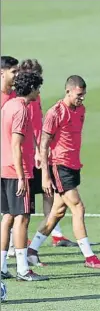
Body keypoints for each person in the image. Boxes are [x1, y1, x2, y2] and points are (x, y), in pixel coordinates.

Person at [27, 75, 100, 269]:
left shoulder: (81, 110)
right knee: (78, 208)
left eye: (83, 95)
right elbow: (44, 144)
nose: (81, 98)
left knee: (57, 211)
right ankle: (89, 257)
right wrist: (46, 175)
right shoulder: (55, 113)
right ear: (68, 91)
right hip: (59, 166)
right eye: (78, 95)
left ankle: (31, 251)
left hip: (73, 166)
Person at [7, 59, 77, 262]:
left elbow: (39, 126)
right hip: (27, 156)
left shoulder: (33, 99)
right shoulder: (18, 102)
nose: (39, 87)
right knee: (20, 209)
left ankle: (54, 235)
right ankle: (16, 248)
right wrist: (37, 150)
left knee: (49, 194)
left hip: (38, 153)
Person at [1, 71, 48, 281]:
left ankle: (2, 267)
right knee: (22, 218)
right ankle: (22, 269)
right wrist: (22, 176)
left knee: (8, 217)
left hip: (4, 167)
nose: (39, 92)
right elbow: (16, 145)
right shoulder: (21, 109)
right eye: (38, 88)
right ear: (31, 88)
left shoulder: (8, 105)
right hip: (17, 170)